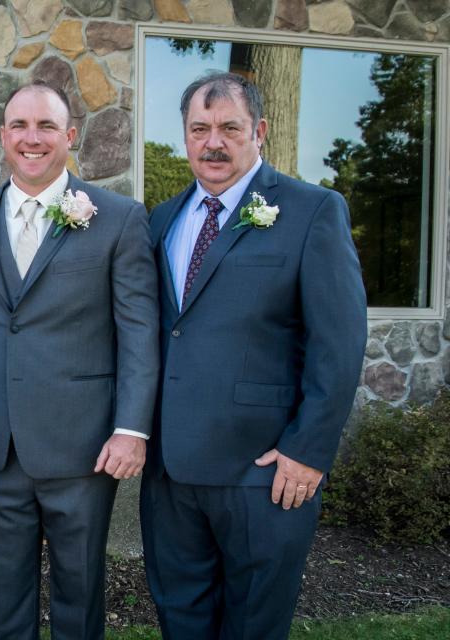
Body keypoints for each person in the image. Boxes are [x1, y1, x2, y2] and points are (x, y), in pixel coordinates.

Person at [142, 72, 367, 640]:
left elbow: (338, 345)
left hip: (264, 472)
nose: (213, 142)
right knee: (181, 621)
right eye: (200, 129)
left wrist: (307, 452)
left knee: (253, 628)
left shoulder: (314, 210)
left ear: (259, 131)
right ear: (186, 137)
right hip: (171, 473)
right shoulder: (163, 219)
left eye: (229, 128)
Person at [0, 81, 159, 639]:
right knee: (3, 594)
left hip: (84, 446)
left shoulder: (117, 217)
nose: (31, 138)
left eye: (45, 127)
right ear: (2, 136)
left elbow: (139, 330)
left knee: (78, 590)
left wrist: (131, 429)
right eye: (19, 126)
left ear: (69, 136)